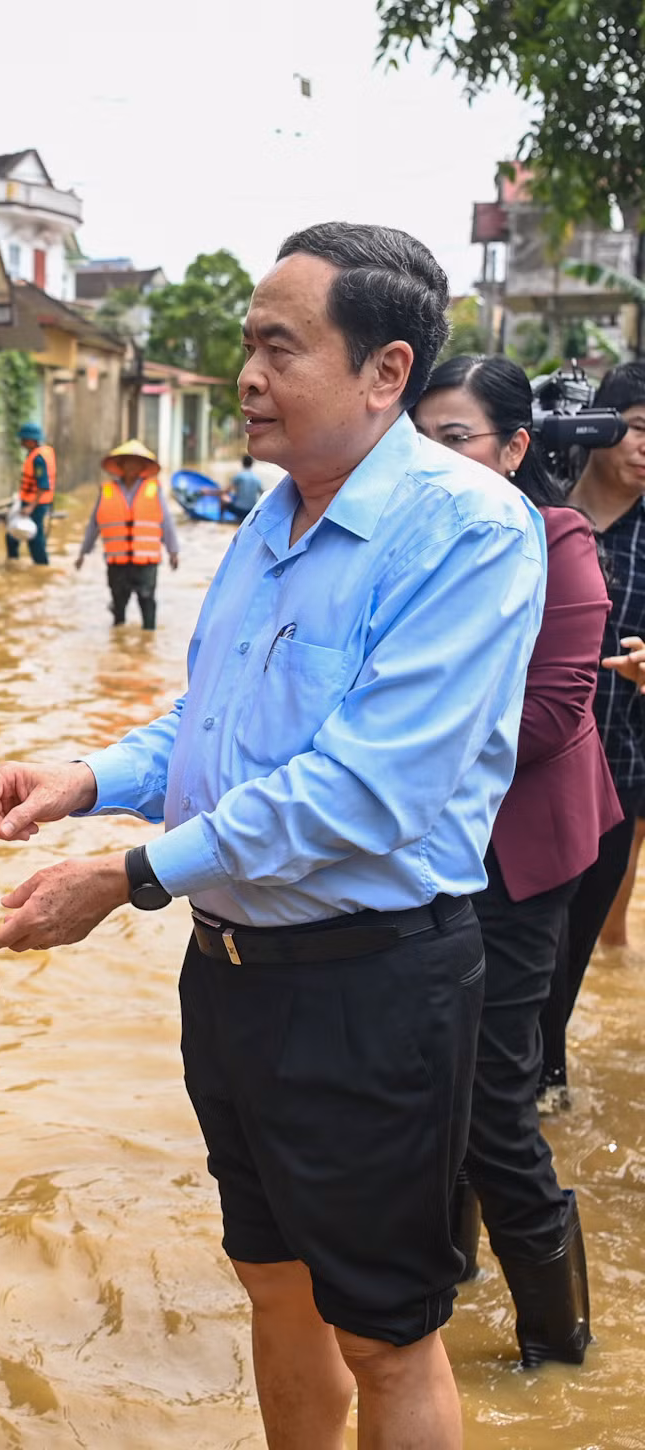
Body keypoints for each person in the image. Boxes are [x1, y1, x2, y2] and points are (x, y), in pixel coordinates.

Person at [0, 223, 543, 1449]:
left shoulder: (473, 532)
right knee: (274, 1286)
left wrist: (125, 876)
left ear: (386, 372)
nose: (248, 375)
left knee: (388, 1330)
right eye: (246, 345)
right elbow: (216, 723)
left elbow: (359, 792)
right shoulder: (270, 519)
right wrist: (84, 778)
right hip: (233, 979)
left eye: (281, 347)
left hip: (372, 983)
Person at [412, 353, 613, 1367]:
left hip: (523, 859)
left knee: (494, 1098)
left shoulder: (558, 541)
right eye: (418, 441)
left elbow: (552, 712)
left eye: (456, 441)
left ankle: (557, 1344)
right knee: (430, 1083)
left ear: (515, 448)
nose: (432, 462)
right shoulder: (409, 543)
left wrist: (403, 743)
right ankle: (447, 1280)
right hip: (422, 853)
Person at [546, 361, 645, 1112]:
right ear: (602, 427)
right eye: (639, 427)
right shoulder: (538, 516)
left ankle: (546, 1090)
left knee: (571, 957)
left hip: (618, 782)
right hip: (526, 780)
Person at [73, 439, 181, 628]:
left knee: (147, 602)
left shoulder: (153, 490)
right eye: (127, 461)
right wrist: (83, 553)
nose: (131, 466)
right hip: (117, 562)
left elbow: (166, 523)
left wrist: (173, 552)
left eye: (136, 462)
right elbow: (94, 524)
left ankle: (147, 644)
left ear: (142, 466)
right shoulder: (107, 491)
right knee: (118, 606)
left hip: (146, 563)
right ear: (120, 465)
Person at [8, 421, 55, 564]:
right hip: (32, 501)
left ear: (30, 440)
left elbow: (43, 485)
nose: (21, 442)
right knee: (13, 533)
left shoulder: (38, 459)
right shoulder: (37, 453)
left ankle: (42, 566)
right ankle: (13, 561)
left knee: (35, 537)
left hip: (36, 504)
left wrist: (30, 507)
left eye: (23, 439)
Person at [223, 452, 265, 520]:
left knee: (223, 498)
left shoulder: (239, 476)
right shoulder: (256, 478)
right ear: (252, 464)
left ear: (242, 463)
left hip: (239, 510)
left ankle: (221, 519)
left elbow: (226, 491)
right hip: (251, 511)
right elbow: (263, 495)